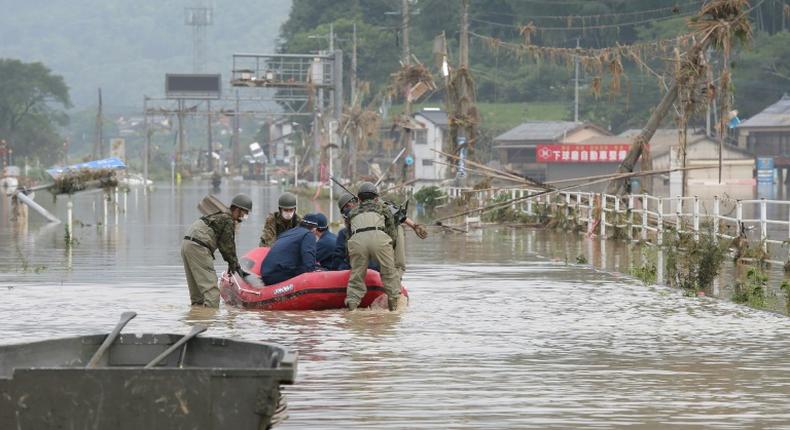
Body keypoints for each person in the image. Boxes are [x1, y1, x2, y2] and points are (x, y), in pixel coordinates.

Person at [181, 193, 252, 307]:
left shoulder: (218, 216)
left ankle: (197, 319)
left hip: (187, 245)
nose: (246, 215)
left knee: (198, 296)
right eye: (245, 212)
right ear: (237, 210)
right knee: (212, 296)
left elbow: (225, 247)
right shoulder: (228, 220)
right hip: (199, 247)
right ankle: (210, 319)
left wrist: (232, 264)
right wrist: (236, 266)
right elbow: (228, 247)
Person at [344, 182, 400, 311]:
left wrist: (349, 255)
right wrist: (391, 249)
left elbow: (348, 236)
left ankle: (352, 307)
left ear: (358, 199)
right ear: (376, 198)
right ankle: (394, 308)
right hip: (379, 237)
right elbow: (392, 232)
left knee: (356, 276)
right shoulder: (383, 208)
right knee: (389, 273)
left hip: (357, 240)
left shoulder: (352, 213)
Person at [261, 214, 320, 285]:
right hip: (278, 275)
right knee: (318, 270)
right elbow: (309, 266)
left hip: (266, 273)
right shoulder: (308, 235)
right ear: (314, 229)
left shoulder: (289, 232)